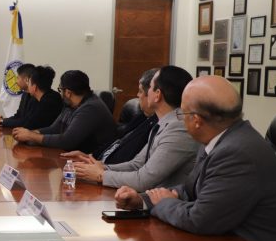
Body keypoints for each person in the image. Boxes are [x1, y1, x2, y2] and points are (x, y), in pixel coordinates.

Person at [115, 75, 276, 241]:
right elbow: (190, 189)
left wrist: (163, 203)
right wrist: (144, 200)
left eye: (182, 113)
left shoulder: (237, 153)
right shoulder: (220, 138)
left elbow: (200, 220)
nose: (179, 118)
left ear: (196, 121)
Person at [71, 66, 199, 191]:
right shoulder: (164, 122)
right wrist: (101, 168)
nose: (141, 94)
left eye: (150, 87)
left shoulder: (178, 129)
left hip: (163, 202)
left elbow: (142, 180)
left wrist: (101, 175)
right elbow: (137, 164)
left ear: (157, 95)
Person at [12, 70, 116, 153]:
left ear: (68, 93)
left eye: (60, 89)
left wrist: (32, 136)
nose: (60, 93)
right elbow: (55, 129)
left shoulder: (90, 108)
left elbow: (67, 141)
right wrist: (30, 133)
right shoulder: (70, 105)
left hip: (95, 161)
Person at [87, 68, 159, 165]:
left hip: (110, 170)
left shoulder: (156, 127)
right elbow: (115, 141)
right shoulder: (142, 117)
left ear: (154, 95)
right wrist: (89, 157)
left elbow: (132, 164)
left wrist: (100, 168)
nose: (137, 95)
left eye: (140, 91)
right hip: (99, 164)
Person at [0, 63, 34, 128]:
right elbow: (18, 116)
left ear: (26, 79)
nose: (16, 82)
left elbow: (25, 122)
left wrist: (1, 122)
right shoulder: (25, 94)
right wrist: (2, 120)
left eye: (18, 78)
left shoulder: (36, 97)